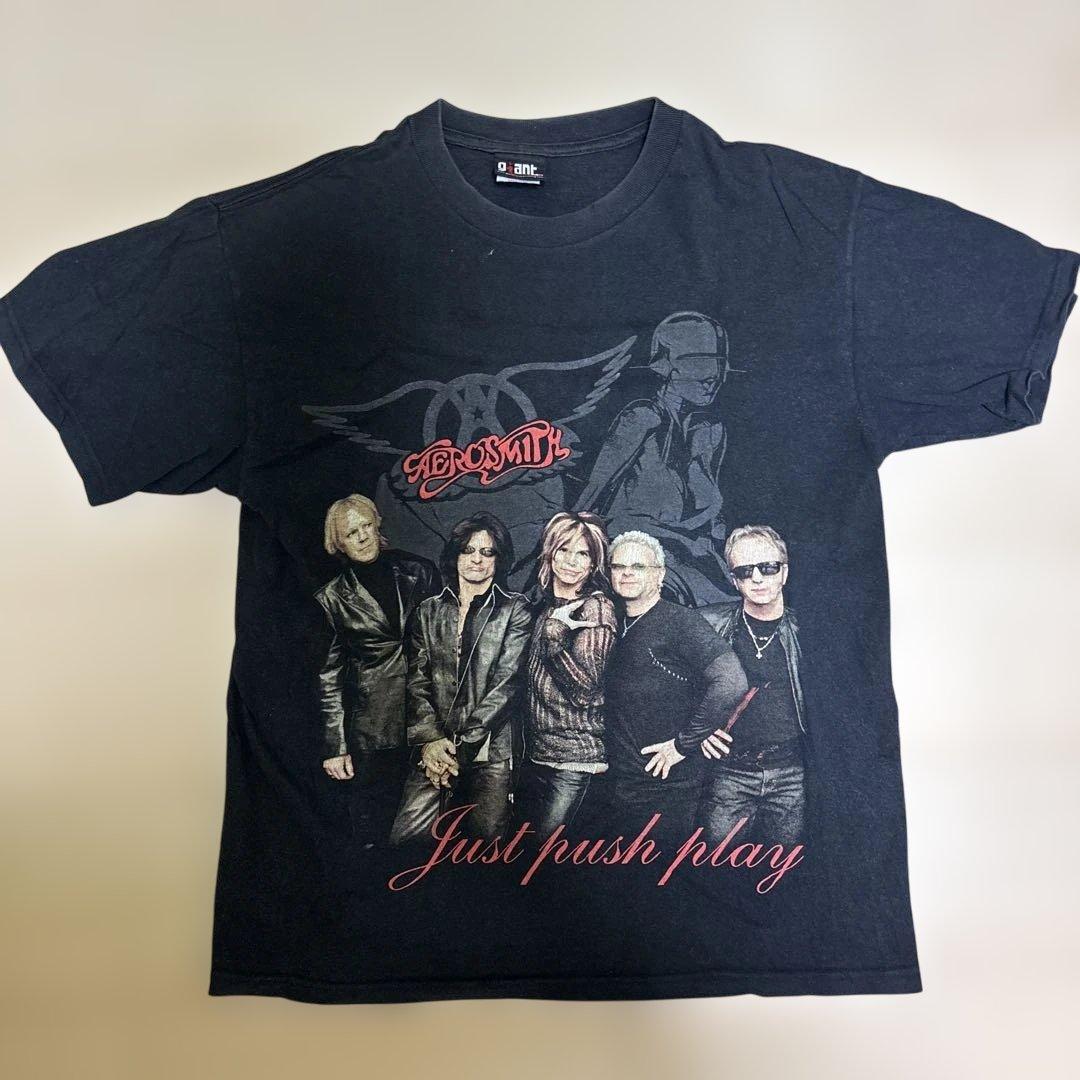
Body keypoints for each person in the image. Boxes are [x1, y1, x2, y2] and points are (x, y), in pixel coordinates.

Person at [573, 312, 737, 606]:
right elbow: (592, 494)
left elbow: (712, 514)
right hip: (633, 552)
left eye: (718, 363)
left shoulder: (710, 431)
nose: (712, 377)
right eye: (698, 362)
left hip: (686, 551)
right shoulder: (642, 417)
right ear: (667, 367)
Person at [390, 512, 533, 845]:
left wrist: (459, 747)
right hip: (434, 749)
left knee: (485, 848)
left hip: (489, 751)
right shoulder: (428, 610)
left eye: (487, 552)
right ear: (454, 556)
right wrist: (430, 741)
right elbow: (417, 681)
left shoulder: (516, 609)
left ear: (499, 559)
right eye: (468, 550)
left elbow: (507, 684)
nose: (476, 560)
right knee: (405, 842)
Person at [602, 530, 748, 840]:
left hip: (667, 786)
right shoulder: (614, 620)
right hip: (620, 783)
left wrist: (683, 745)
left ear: (660, 574)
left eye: (638, 566)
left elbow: (731, 681)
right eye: (618, 566)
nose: (627, 573)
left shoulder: (680, 622)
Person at [314, 494, 437, 846]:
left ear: (378, 523)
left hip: (430, 716)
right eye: (351, 533)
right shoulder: (331, 599)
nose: (363, 537)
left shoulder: (420, 570)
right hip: (374, 728)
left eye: (367, 525)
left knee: (429, 829)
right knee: (374, 829)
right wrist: (336, 746)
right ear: (338, 543)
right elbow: (329, 677)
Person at [697, 526, 807, 845]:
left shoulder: (807, 630)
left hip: (792, 774)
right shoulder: (709, 625)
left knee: (782, 869)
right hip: (729, 773)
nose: (757, 578)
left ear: (784, 572)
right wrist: (697, 731)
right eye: (745, 571)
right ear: (734, 580)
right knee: (717, 866)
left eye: (767, 567)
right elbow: (672, 687)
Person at [517, 512, 617, 837]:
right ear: (550, 552)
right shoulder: (547, 607)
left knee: (544, 855)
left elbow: (586, 689)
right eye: (564, 549)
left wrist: (554, 637)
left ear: (594, 563)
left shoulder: (596, 608)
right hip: (539, 755)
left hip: (574, 760)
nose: (572, 561)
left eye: (583, 554)